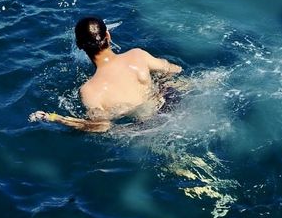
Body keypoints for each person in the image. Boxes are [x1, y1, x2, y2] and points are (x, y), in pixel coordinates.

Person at [29, 16, 182, 132]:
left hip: (147, 130)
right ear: (108, 35)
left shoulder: (89, 91)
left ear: (79, 46)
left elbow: (101, 126)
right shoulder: (138, 55)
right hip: (172, 108)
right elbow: (175, 70)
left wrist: (56, 118)